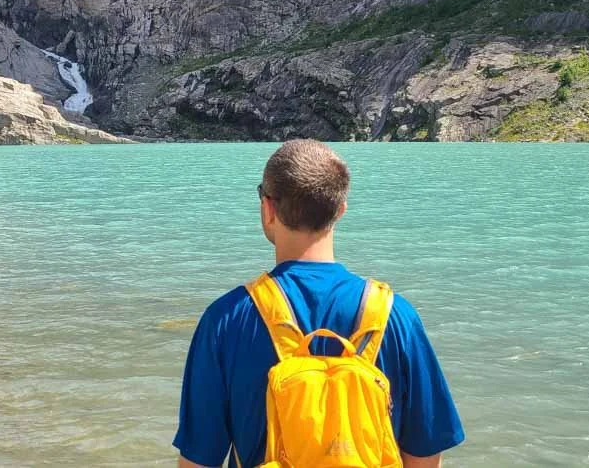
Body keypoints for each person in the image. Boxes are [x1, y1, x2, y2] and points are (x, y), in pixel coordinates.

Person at [174, 140, 464, 467]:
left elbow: (198, 460)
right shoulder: (396, 316)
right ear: (340, 210)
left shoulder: (225, 320)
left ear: (268, 208)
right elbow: (425, 455)